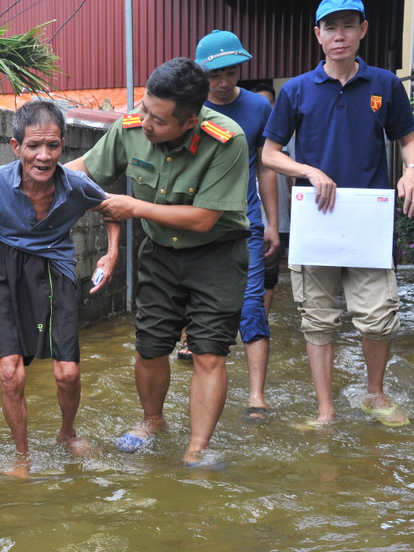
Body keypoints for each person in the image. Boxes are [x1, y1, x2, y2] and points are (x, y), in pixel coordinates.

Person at [66, 57, 250, 465]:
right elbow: (83, 171)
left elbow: (204, 219)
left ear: (190, 122)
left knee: (208, 352)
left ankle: (196, 450)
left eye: (159, 119)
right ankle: (153, 421)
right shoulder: (132, 125)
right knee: (149, 347)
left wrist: (133, 206)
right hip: (160, 254)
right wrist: (27, 180)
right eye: (145, 107)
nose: (145, 122)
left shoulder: (227, 140)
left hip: (216, 254)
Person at [262, 0, 414, 427]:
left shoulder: (385, 85)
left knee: (377, 317)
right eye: (330, 27)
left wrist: (413, 172)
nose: (339, 35)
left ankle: (374, 393)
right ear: (317, 34)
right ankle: (325, 410)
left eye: (348, 26)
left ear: (363, 30)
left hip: (368, 217)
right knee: (317, 317)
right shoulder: (296, 90)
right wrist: (309, 170)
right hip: (316, 218)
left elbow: (407, 139)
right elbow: (270, 154)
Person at [0, 101, 120, 477]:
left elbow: (110, 209)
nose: (43, 156)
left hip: (56, 270)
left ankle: (67, 434)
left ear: (62, 145)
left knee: (67, 373)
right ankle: (22, 458)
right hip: (4, 270)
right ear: (15, 146)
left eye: (53, 146)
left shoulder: (75, 185)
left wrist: (112, 253)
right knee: (10, 372)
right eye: (34, 146)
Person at [194, 30, 280, 422]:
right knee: (200, 312)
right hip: (198, 224)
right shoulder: (187, 107)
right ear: (201, 75)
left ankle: (257, 396)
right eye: (215, 75)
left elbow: (264, 167)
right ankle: (206, 394)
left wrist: (272, 223)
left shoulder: (259, 109)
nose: (224, 83)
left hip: (246, 222)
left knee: (251, 309)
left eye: (231, 73)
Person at [252, 83, 295, 318]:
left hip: (278, 220)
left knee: (269, 276)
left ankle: (262, 323)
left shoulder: (286, 140)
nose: (263, 107)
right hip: (248, 218)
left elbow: (294, 181)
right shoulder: (244, 133)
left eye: (267, 103)